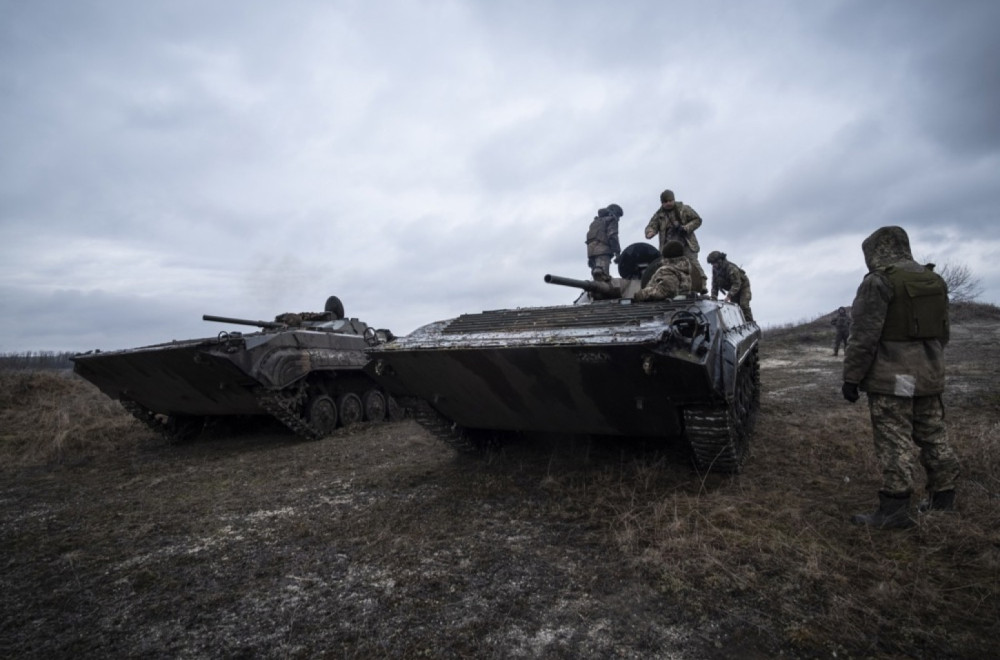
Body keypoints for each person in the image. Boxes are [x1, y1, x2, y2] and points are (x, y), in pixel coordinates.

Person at [842, 225, 960, 530]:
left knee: (894, 441)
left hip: (893, 378)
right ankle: (943, 500)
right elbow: (943, 332)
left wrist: (852, 378)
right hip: (930, 374)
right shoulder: (934, 279)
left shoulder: (879, 282)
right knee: (933, 435)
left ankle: (895, 510)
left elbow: (864, 336)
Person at [644, 189, 708, 292]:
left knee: (692, 263)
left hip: (686, 243)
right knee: (666, 267)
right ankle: (668, 287)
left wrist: (686, 228)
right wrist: (650, 232)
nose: (668, 203)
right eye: (666, 202)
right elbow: (651, 226)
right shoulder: (659, 215)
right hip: (669, 247)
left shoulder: (683, 209)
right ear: (662, 203)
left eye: (670, 200)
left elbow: (697, 220)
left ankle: (702, 284)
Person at [706, 251, 753, 322]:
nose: (713, 265)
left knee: (744, 305)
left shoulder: (731, 268)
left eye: (714, 263)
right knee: (735, 308)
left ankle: (750, 324)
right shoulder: (715, 270)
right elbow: (714, 285)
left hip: (743, 287)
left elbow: (737, 283)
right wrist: (713, 298)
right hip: (732, 289)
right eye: (712, 264)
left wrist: (729, 296)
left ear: (719, 261)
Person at [586, 204, 622, 282]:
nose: (618, 219)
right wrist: (617, 253)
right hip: (602, 250)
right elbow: (612, 236)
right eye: (618, 216)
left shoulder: (595, 222)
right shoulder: (611, 220)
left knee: (596, 278)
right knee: (603, 278)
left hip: (591, 252)